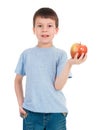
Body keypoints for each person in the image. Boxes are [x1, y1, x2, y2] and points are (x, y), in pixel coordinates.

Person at [14, 7, 87, 130]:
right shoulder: (26, 54)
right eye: (40, 26)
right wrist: (20, 103)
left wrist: (69, 63)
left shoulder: (61, 55)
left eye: (49, 25)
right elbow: (17, 80)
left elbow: (58, 86)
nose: (44, 29)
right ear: (33, 29)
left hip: (56, 114)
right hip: (31, 114)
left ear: (56, 30)